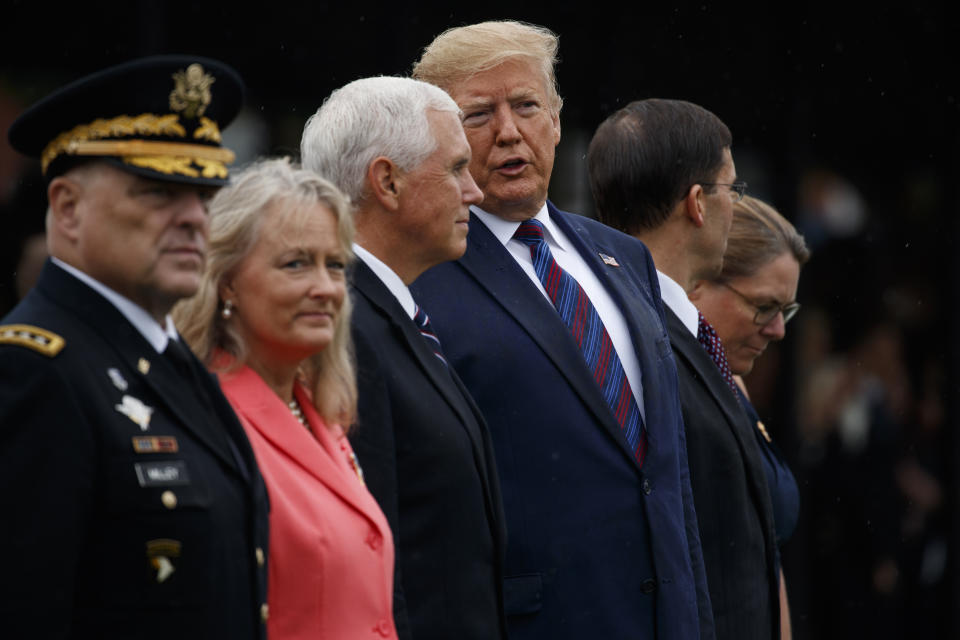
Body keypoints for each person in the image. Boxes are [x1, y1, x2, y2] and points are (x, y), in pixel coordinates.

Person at [411, 21, 710, 640]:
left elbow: (667, 471)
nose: (509, 131)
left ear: (556, 118)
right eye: (478, 114)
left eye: (525, 106)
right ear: (439, 137)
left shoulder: (623, 257)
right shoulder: (422, 277)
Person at [0, 55, 269, 638]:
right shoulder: (34, 371)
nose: (194, 218)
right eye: (159, 192)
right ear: (68, 209)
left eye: (203, 193)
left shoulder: (168, 357)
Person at [300, 76, 507, 640]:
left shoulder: (386, 314)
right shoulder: (344, 327)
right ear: (387, 181)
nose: (476, 192)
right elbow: (372, 551)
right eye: (456, 168)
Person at [173, 157, 397, 639]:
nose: (325, 288)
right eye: (296, 264)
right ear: (227, 280)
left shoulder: (319, 411)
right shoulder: (203, 420)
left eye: (334, 265)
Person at [588, 98, 780, 640]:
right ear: (697, 203)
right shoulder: (630, 332)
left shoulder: (659, 324)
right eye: (733, 190)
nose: (737, 207)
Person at [687, 195, 810, 639]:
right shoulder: (660, 388)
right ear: (697, 281)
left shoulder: (732, 383)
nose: (778, 330)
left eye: (786, 311)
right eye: (764, 306)